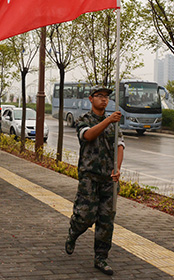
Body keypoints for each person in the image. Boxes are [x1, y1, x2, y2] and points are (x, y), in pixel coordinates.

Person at [65, 85, 124, 276]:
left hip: (108, 179)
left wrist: (117, 169)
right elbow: (88, 135)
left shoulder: (114, 123)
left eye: (106, 96)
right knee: (85, 217)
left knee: (106, 220)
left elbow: (120, 145)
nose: (104, 99)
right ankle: (73, 232)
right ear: (91, 99)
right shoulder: (84, 120)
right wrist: (108, 120)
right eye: (99, 96)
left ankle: (101, 257)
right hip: (89, 177)